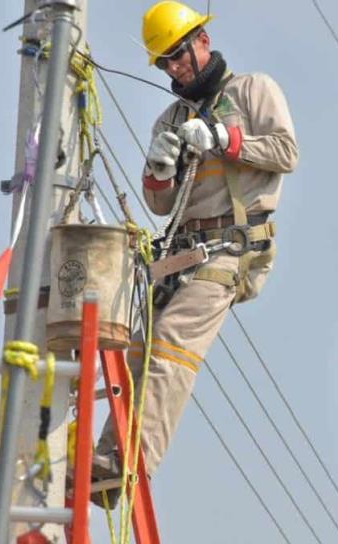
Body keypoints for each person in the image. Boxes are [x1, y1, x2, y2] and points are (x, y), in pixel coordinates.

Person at [91, 1, 297, 507]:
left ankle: (133, 463)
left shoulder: (253, 90)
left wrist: (224, 138)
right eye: (164, 62)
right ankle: (105, 460)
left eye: (178, 55)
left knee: (170, 348)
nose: (174, 68)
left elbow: (286, 152)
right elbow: (161, 205)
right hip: (182, 252)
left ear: (202, 40)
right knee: (135, 352)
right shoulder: (172, 117)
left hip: (232, 249)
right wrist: (159, 170)